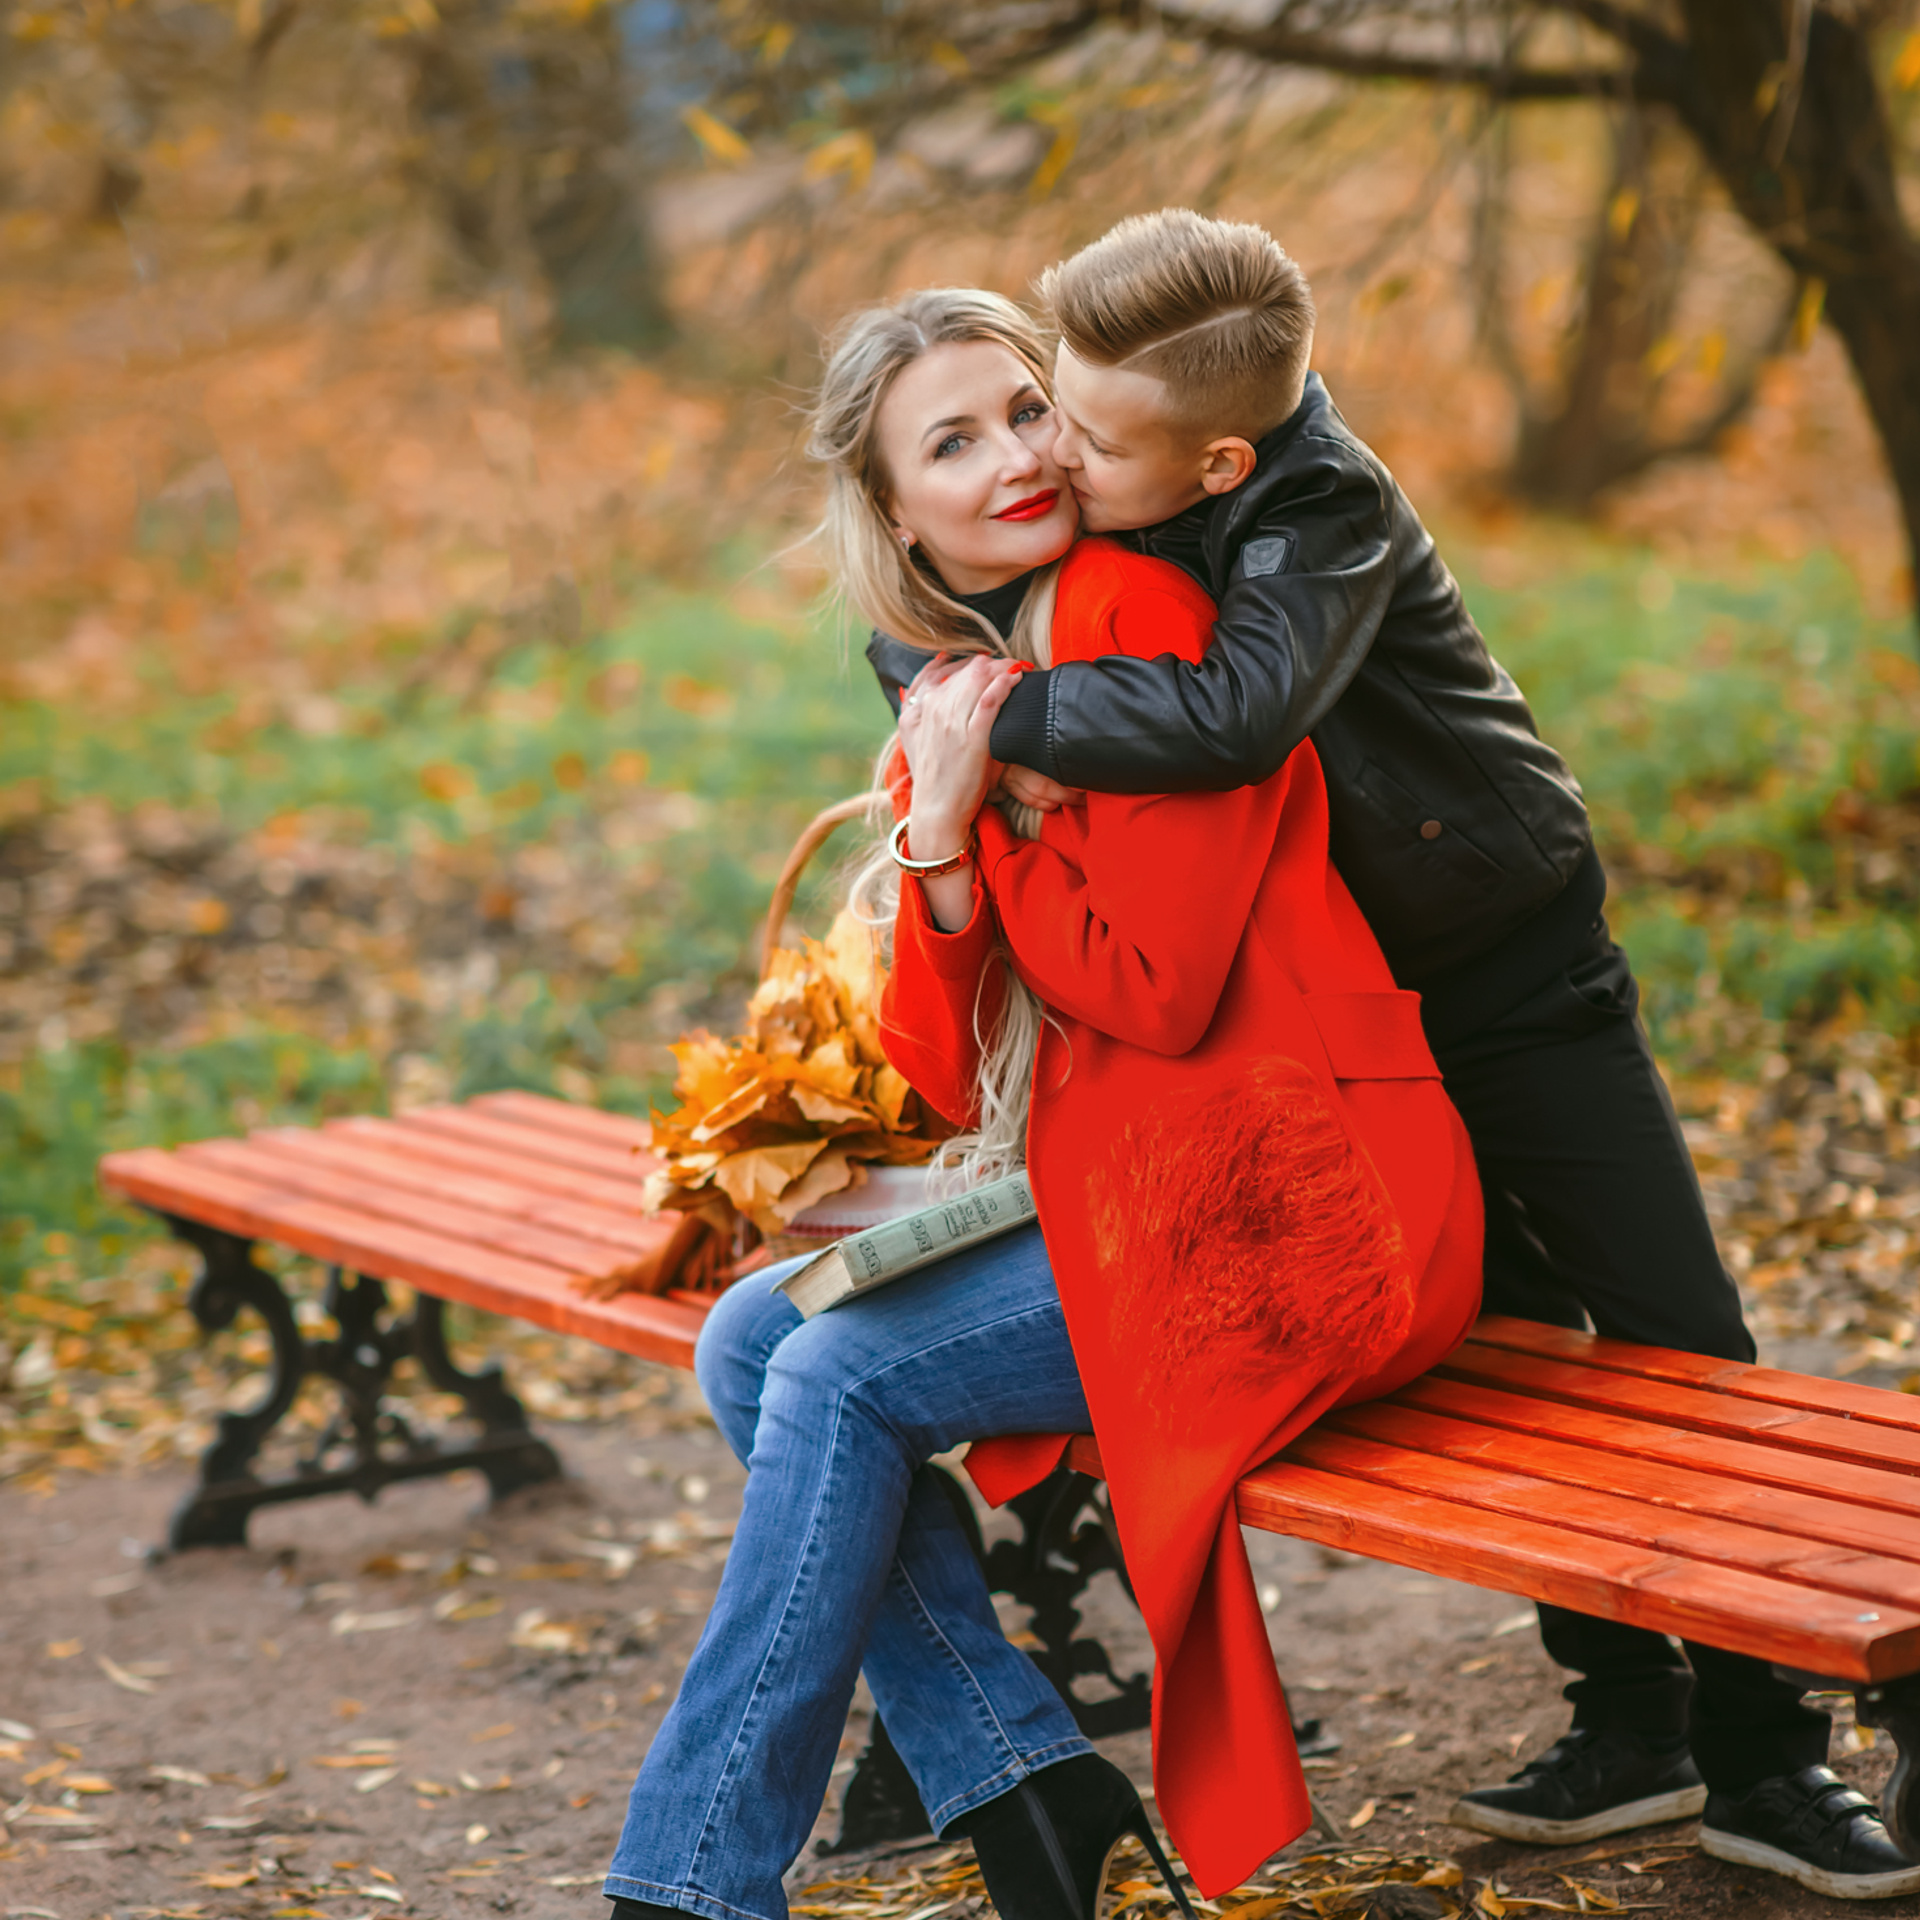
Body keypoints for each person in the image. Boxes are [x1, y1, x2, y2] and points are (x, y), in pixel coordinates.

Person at [866, 209, 1920, 1902]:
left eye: (1079, 427)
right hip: (1371, 1020)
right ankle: (1627, 1719)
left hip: (1512, 963)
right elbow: (947, 640)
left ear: (1214, 459)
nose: (1050, 451)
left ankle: (1771, 1759)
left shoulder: (1318, 505)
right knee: (1523, 1355)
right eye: (1036, 410)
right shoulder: (1142, 505)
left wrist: (984, 728)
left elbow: (1230, 717)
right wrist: (940, 685)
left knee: (1676, 1341)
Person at [601, 287, 1482, 1920]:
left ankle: (694, 1878)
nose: (1016, 457)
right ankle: (1026, 1785)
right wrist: (945, 829)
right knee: (749, 1339)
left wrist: (974, 810)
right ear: (894, 511)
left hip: (1297, 1203)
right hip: (1143, 1189)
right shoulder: (965, 683)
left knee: (847, 1375)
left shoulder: (1134, 613)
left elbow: (1152, 984)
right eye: (954, 441)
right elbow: (945, 1072)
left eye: (1024, 410)